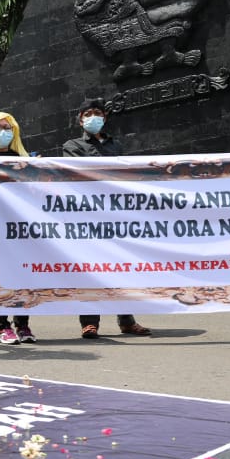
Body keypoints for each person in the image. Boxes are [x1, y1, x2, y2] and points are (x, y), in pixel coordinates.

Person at [61, 98, 152, 339]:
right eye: (88, 113)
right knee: (90, 269)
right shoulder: (72, 146)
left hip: (115, 215)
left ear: (105, 117)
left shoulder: (116, 145)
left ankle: (127, 320)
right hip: (87, 216)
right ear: (80, 119)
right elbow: (80, 172)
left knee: (121, 267)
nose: (93, 117)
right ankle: (89, 323)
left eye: (98, 113)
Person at [0, 111, 37, 344]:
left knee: (23, 276)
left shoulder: (22, 158)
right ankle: (2, 327)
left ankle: (23, 325)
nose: (2, 133)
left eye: (7, 128)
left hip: (19, 229)